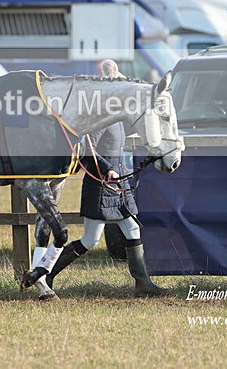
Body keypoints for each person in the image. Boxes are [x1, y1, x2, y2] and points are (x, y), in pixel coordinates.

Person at [27, 59, 168, 298]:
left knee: (132, 228)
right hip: (102, 183)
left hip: (117, 182)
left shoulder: (118, 118)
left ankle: (142, 283)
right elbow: (88, 152)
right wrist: (107, 171)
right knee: (90, 240)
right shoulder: (99, 120)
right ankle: (47, 274)